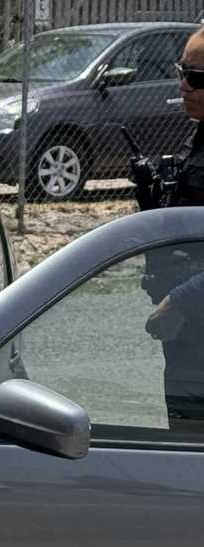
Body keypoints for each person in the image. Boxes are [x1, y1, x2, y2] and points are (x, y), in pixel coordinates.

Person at [138, 26, 204, 430]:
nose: (183, 85)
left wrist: (181, 300)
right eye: (181, 71)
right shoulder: (199, 133)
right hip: (189, 336)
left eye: (196, 77)